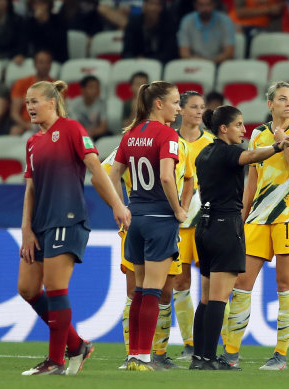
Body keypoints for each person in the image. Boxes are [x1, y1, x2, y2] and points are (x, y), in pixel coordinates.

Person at [17, 80, 130, 375]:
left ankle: (55, 361)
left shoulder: (72, 130)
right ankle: (77, 345)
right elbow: (30, 190)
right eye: (27, 102)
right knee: (27, 289)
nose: (29, 107)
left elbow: (96, 170)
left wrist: (117, 205)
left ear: (51, 103)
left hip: (67, 218)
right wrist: (26, 229)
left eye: (34, 101)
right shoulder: (32, 143)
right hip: (39, 224)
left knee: (55, 287)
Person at [221, 81, 289, 370]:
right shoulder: (257, 135)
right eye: (282, 99)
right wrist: (242, 216)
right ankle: (230, 353)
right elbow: (252, 179)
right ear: (270, 105)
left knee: (285, 285)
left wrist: (285, 146)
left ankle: (280, 355)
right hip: (258, 219)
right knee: (241, 283)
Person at [190, 105, 289, 370]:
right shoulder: (230, 152)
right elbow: (250, 156)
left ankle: (198, 357)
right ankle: (209, 359)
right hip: (226, 227)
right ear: (223, 128)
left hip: (203, 226)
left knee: (205, 299)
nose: (244, 129)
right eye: (238, 125)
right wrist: (278, 146)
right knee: (218, 298)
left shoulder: (204, 153)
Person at [109, 81, 188, 371]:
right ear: (159, 104)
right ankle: (143, 356)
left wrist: (122, 207)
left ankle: (133, 355)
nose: (178, 107)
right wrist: (178, 209)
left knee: (139, 291)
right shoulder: (167, 135)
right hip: (159, 220)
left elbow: (114, 173)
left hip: (136, 219)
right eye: (175, 102)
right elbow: (167, 177)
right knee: (154, 291)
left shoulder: (130, 135)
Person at [170, 91, 216, 360]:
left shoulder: (211, 142)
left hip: (206, 222)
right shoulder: (169, 141)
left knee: (214, 283)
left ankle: (210, 343)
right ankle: (189, 343)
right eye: (194, 107)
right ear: (182, 111)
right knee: (180, 282)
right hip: (177, 223)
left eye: (202, 107)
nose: (199, 111)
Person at [9, 49, 54, 136]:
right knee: (15, 131)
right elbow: (14, 113)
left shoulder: (56, 86)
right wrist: (26, 125)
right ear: (35, 64)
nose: (44, 66)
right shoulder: (21, 83)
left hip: (49, 125)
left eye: (47, 62)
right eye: (41, 62)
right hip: (26, 124)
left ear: (51, 64)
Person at [121, 0, 179, 64]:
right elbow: (127, 52)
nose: (154, 8)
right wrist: (135, 59)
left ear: (162, 8)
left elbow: (170, 53)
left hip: (161, 64)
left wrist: (147, 60)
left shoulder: (169, 24)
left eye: (158, 5)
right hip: (136, 63)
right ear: (144, 6)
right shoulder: (133, 24)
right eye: (151, 4)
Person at [178, 0, 235, 64]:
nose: (205, 8)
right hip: (194, 64)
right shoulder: (187, 21)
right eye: (201, 5)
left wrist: (211, 63)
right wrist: (202, 62)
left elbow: (229, 53)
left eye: (208, 4)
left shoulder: (225, 21)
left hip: (219, 64)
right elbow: (184, 54)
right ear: (195, 5)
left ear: (214, 4)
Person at [68, 75, 109, 141]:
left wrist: (91, 132)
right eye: (91, 87)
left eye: (96, 87)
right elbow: (73, 126)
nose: (94, 90)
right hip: (80, 134)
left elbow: (103, 127)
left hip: (97, 135)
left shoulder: (101, 104)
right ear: (82, 90)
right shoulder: (75, 104)